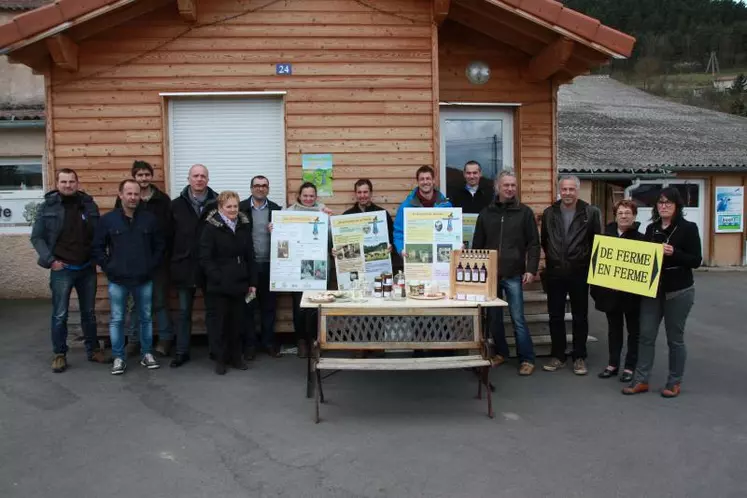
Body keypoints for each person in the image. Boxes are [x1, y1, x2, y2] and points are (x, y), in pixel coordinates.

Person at [623, 187, 701, 397]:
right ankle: (641, 380)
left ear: (677, 206)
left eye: (668, 202)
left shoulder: (688, 228)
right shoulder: (652, 229)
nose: (664, 206)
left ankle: (674, 382)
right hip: (652, 290)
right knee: (646, 336)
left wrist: (674, 252)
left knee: (675, 339)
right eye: (660, 202)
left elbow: (696, 260)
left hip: (679, 291)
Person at [31, 168, 108, 372]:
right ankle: (59, 354)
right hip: (62, 269)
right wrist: (50, 260)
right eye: (64, 182)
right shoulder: (47, 207)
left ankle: (93, 350)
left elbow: (98, 234)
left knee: (88, 313)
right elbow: (37, 237)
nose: (68, 185)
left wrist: (96, 257)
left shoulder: (88, 205)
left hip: (86, 268)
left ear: (77, 183)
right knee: (60, 314)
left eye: (71, 181)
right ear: (57, 184)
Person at [92, 179, 165, 375]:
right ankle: (118, 357)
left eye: (136, 194)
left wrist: (150, 265)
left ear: (140, 196)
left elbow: (160, 246)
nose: (133, 197)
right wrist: (110, 267)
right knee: (117, 319)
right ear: (121, 195)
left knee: (146, 318)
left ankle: (147, 354)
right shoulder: (108, 220)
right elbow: (97, 248)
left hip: (143, 279)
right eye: (129, 194)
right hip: (118, 280)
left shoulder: (149, 219)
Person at [472, 170, 540, 375]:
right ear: (497, 187)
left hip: (513, 274)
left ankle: (527, 359)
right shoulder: (486, 213)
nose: (510, 188)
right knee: (494, 319)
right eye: (506, 185)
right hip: (491, 276)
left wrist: (531, 269)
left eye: (513, 185)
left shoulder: (525, 212)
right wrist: (478, 275)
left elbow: (534, 244)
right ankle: (501, 353)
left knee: (518, 318)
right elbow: (477, 245)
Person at [541, 175, 602, 376]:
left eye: (571, 189)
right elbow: (545, 241)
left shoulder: (590, 212)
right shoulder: (550, 213)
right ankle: (558, 355)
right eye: (564, 189)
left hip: (579, 271)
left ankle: (579, 356)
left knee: (580, 316)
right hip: (555, 272)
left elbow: (596, 242)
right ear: (559, 190)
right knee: (555, 316)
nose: (567, 193)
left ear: (577, 190)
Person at [115, 160, 173, 358]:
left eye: (147, 174)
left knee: (159, 301)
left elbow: (168, 230)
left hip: (158, 260)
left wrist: (161, 256)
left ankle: (165, 339)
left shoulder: (163, 200)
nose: (144, 178)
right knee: (134, 303)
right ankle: (133, 340)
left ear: (152, 176)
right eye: (139, 175)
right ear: (134, 177)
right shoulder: (128, 199)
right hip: (134, 261)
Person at [270, 182, 332, 357]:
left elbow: (330, 239)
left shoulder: (323, 212)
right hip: (295, 268)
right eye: (305, 195)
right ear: (299, 196)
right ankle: (301, 341)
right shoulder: (288, 213)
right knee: (299, 307)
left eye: (311, 196)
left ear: (316, 197)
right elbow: (281, 241)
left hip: (317, 266)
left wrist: (330, 222)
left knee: (316, 306)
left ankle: (314, 341)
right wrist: (274, 230)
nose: (308, 199)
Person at [200, 191, 258, 375]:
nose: (233, 210)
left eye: (235, 206)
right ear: (220, 208)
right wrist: (217, 276)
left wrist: (252, 281)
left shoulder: (243, 225)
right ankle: (220, 359)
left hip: (240, 283)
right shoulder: (211, 227)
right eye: (228, 206)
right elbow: (205, 257)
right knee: (219, 324)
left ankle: (236, 357)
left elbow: (250, 255)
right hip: (218, 285)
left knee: (237, 322)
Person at [169, 164, 218, 368]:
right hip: (184, 265)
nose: (199, 179)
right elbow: (168, 237)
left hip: (211, 266)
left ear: (208, 179)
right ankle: (182, 352)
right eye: (195, 176)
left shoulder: (218, 203)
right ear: (188, 178)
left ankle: (216, 350)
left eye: (203, 176)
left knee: (213, 310)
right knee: (184, 311)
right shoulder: (175, 205)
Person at [590, 200, 643, 383]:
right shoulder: (605, 237)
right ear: (615, 215)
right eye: (620, 213)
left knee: (634, 331)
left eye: (628, 213)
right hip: (611, 294)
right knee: (614, 330)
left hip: (633, 296)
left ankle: (630, 366)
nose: (624, 216)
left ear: (634, 216)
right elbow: (598, 264)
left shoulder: (642, 239)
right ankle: (613, 364)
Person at [239, 175, 282, 359]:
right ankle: (250, 345)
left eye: (264, 186)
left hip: (271, 266)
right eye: (257, 186)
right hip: (249, 267)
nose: (260, 189)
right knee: (249, 306)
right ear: (251, 188)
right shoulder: (240, 209)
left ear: (268, 189)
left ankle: (268, 343)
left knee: (269, 307)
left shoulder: (276, 210)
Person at [342, 179, 400, 272]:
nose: (362, 195)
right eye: (359, 192)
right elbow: (342, 242)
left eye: (365, 192)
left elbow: (392, 238)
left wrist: (392, 247)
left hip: (377, 267)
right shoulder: (347, 216)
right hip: (356, 267)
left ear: (371, 193)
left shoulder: (382, 214)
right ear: (355, 194)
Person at [393, 165, 452, 257]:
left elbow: (452, 231)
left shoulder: (446, 205)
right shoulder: (406, 206)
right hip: (416, 258)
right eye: (422, 179)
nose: (425, 182)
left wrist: (457, 244)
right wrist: (401, 249)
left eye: (428, 178)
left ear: (433, 181)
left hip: (440, 258)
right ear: (418, 182)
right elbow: (398, 232)